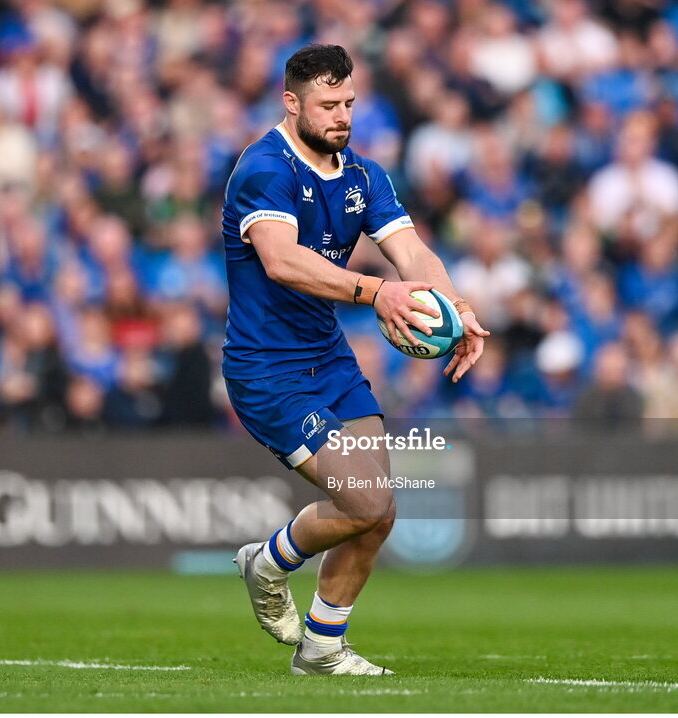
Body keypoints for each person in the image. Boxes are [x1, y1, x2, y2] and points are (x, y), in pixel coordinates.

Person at [220, 45, 487, 676]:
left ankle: (320, 649)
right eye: (328, 105)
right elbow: (282, 260)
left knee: (378, 512)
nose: (341, 116)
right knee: (367, 502)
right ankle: (268, 561)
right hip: (267, 370)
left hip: (330, 361)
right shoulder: (264, 168)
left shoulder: (364, 176)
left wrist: (458, 311)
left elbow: (413, 255)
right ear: (292, 103)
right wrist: (377, 292)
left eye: (348, 104)